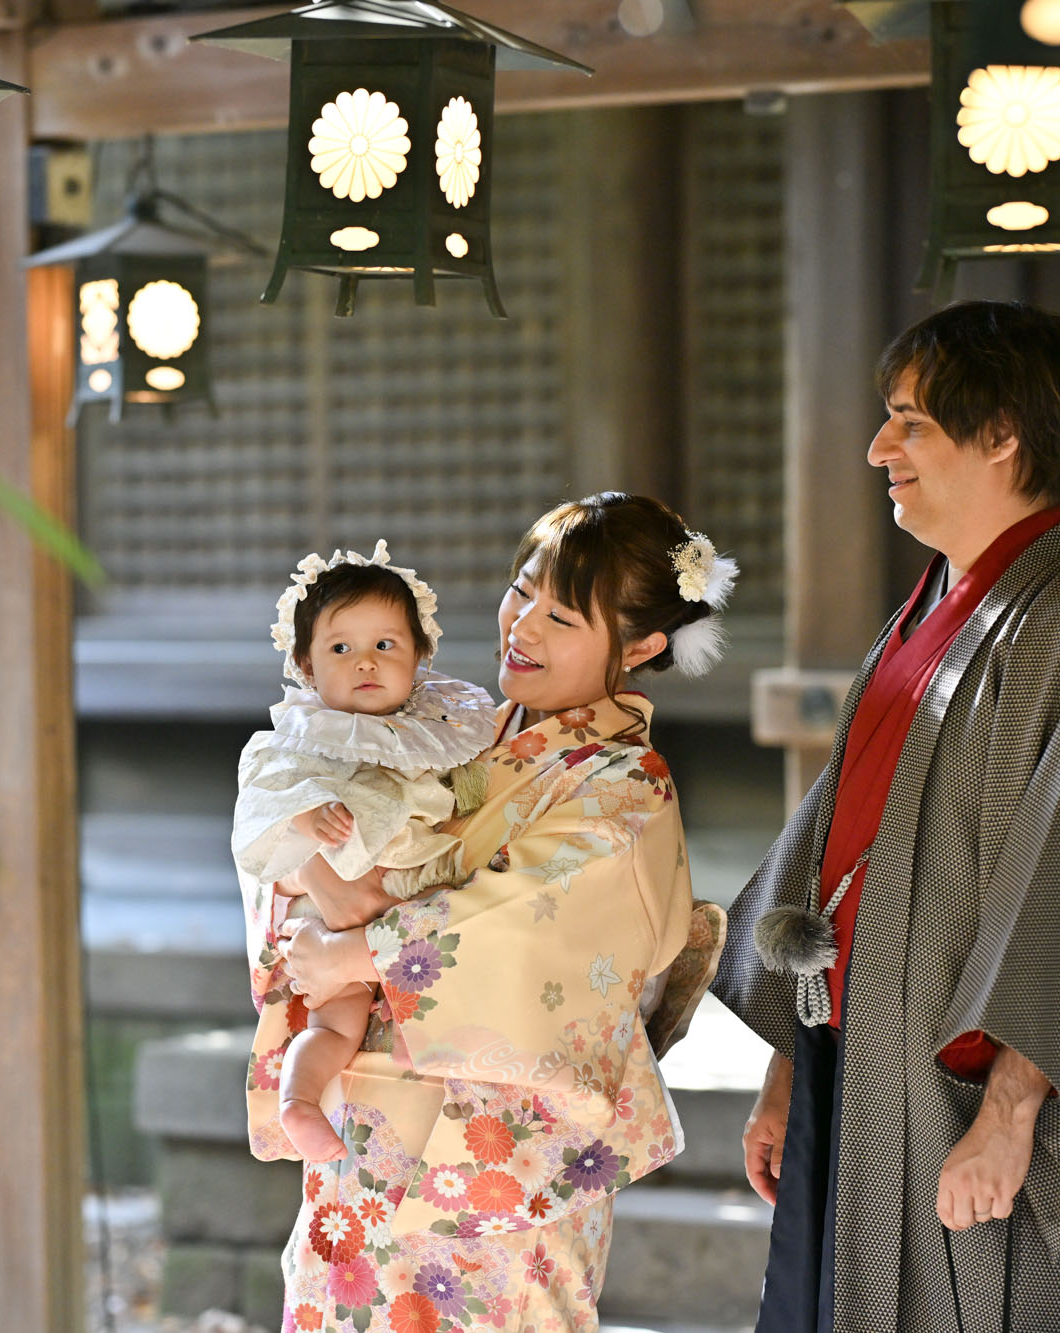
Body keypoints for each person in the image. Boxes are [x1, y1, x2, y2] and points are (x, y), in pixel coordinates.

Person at [713, 301, 1060, 1333]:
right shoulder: (926, 612)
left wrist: (1011, 1111)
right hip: (855, 1061)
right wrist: (788, 1067)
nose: (878, 447)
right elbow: (827, 862)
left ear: (1001, 432)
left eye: (908, 421)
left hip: (964, 1097)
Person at [245, 492, 732, 1333]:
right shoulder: (453, 728)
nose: (524, 626)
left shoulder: (623, 788)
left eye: (563, 615)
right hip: (369, 1120)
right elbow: (303, 820)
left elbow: (523, 927)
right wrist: (320, 898)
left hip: (501, 1158)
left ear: (643, 644)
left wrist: (359, 946)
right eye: (522, 590)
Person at [234, 541, 497, 1162]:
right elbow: (258, 806)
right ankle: (298, 1100)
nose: (365, 663)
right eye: (340, 648)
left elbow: (471, 791)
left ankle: (423, 1041)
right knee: (337, 1021)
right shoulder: (298, 737)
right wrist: (305, 812)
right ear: (305, 662)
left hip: (416, 888)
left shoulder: (439, 730)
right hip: (332, 900)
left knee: (452, 943)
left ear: (420, 655)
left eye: (386, 645)